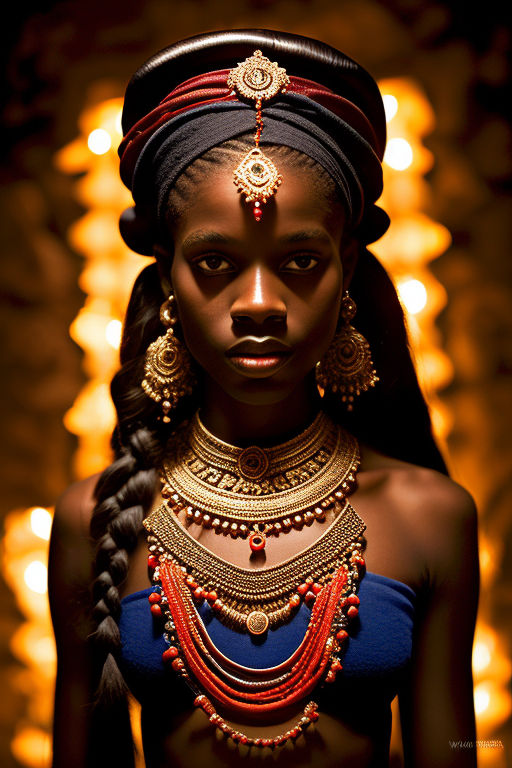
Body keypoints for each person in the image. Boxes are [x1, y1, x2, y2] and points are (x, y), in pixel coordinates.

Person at [48, 29, 480, 768]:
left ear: (347, 268)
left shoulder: (430, 517)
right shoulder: (96, 521)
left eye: (300, 262)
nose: (258, 303)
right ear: (167, 275)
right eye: (215, 261)